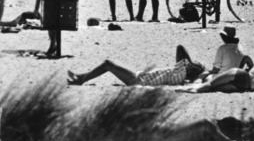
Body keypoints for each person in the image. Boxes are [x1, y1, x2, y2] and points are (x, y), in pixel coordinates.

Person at [68, 45, 205, 86]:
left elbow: (180, 47)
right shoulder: (180, 75)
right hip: (140, 78)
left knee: (108, 64)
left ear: (192, 67)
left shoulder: (181, 71)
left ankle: (82, 79)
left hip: (138, 80)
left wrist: (190, 61)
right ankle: (82, 77)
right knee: (109, 65)